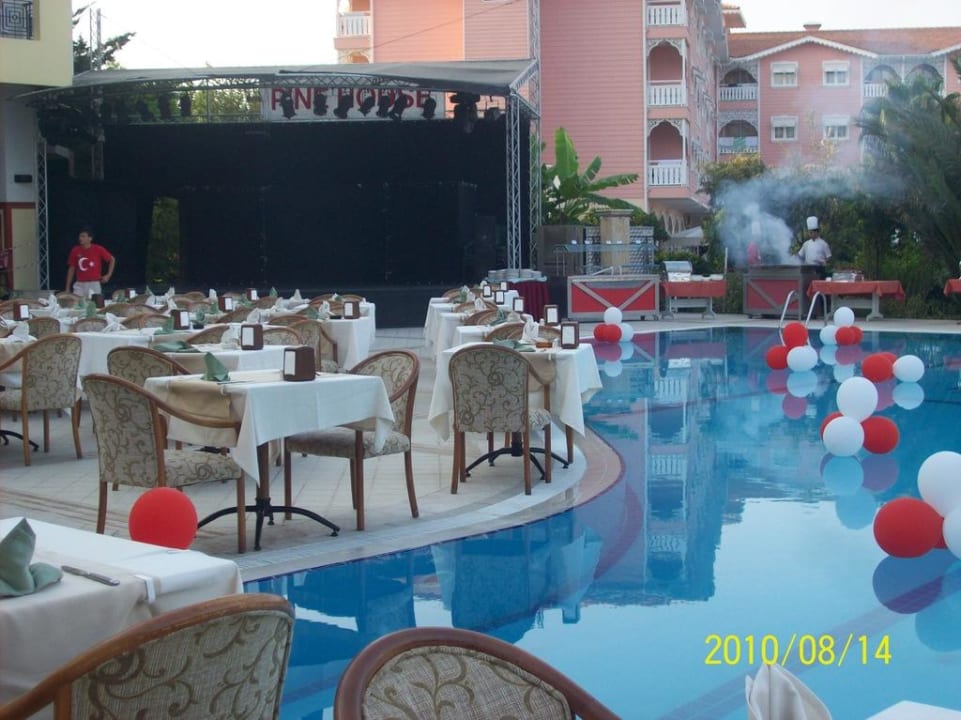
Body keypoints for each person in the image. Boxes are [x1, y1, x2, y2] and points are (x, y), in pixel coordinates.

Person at [65, 227, 115, 298]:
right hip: (80, 284)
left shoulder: (98, 249)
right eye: (80, 236)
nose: (80, 238)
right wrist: (67, 287)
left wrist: (108, 275)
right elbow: (71, 269)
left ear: (90, 238)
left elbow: (112, 259)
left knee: (94, 303)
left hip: (94, 283)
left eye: (83, 236)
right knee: (77, 303)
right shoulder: (75, 250)